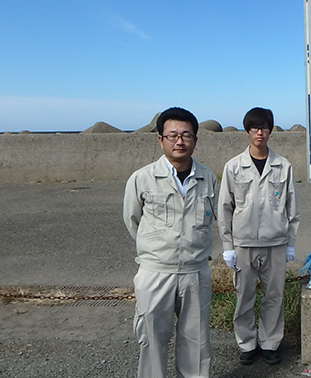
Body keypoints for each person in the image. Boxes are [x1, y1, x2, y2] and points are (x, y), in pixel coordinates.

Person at [123, 107, 216, 378]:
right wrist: (156, 249)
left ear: (195, 140)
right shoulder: (142, 178)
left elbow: (208, 221)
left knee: (196, 342)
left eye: (186, 135)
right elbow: (133, 220)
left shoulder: (208, 177)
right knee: (152, 339)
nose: (180, 141)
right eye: (172, 134)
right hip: (155, 272)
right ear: (160, 139)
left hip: (195, 272)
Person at [217, 107, 300, 366]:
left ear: (270, 130)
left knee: (274, 295)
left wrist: (290, 242)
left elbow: (292, 208)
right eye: (254, 128)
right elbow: (224, 208)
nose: (259, 132)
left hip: (276, 242)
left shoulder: (283, 166)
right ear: (247, 131)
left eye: (264, 127)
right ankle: (246, 343)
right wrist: (227, 245)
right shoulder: (233, 167)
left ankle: (270, 342)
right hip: (243, 243)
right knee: (244, 295)